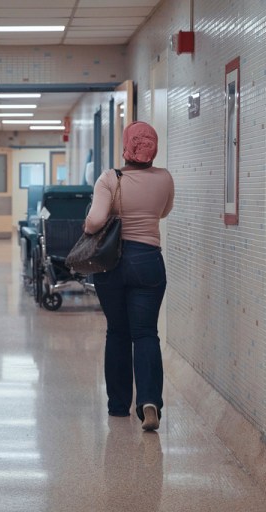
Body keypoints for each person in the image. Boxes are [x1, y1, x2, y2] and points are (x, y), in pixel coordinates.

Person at [84, 121, 174, 431]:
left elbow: (95, 221)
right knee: (146, 333)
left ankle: (119, 406)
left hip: (114, 263)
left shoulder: (110, 178)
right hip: (149, 260)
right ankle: (149, 401)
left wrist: (89, 225)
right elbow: (163, 212)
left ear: (126, 146)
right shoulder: (164, 178)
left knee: (118, 333)